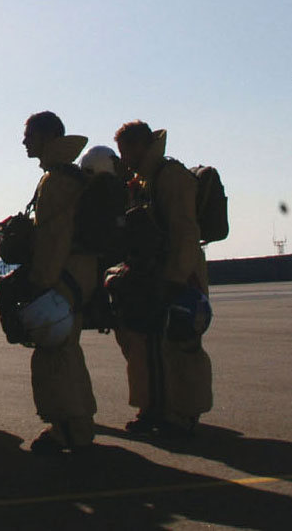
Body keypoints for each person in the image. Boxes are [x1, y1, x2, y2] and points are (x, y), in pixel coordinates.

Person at [111, 120, 213, 437]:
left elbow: (185, 231)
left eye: (126, 150)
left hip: (179, 276)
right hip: (151, 276)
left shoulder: (171, 177)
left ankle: (184, 413)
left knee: (180, 346)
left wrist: (176, 279)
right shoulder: (143, 181)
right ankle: (153, 407)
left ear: (141, 146)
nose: (123, 157)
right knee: (146, 346)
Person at [17, 110, 98, 454]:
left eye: (29, 135)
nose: (24, 141)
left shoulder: (56, 182)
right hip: (79, 274)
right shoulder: (71, 176)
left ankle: (66, 429)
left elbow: (53, 239)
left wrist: (40, 283)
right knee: (68, 349)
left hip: (62, 276)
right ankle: (78, 425)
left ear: (47, 137)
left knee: (55, 352)